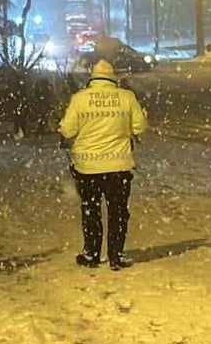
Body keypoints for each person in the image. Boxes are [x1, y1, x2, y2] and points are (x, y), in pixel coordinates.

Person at [59, 59, 148, 270]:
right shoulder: (126, 98)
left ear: (93, 77)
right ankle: (116, 256)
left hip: (87, 167)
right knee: (118, 211)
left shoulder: (80, 99)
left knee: (91, 210)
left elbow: (67, 130)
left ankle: (92, 254)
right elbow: (139, 127)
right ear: (112, 78)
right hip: (118, 167)